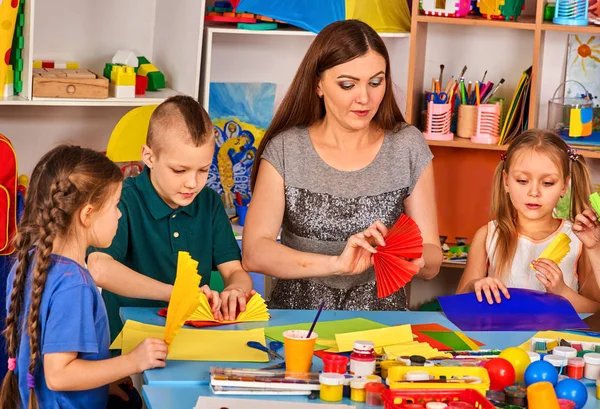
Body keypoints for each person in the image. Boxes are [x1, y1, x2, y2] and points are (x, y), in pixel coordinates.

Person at [242, 20, 442, 311]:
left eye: (376, 82)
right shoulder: (287, 148)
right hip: (297, 325)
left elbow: (433, 257)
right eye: (347, 84)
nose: (365, 98)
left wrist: (417, 259)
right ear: (318, 84)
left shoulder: (407, 145)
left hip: (383, 328)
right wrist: (336, 264)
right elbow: (254, 253)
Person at [0, 146, 167, 409]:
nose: (119, 214)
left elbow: (47, 362)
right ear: (87, 214)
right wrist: (132, 361)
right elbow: (60, 375)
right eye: (116, 205)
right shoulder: (74, 284)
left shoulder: (31, 263)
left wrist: (104, 382)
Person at [88, 96, 253, 339]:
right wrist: (176, 294)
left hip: (189, 338)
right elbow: (99, 267)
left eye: (203, 170)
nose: (192, 182)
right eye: (179, 170)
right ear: (149, 156)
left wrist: (236, 290)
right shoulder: (122, 199)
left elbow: (234, 271)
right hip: (125, 343)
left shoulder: (209, 202)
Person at [456, 129, 600, 312]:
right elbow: (459, 305)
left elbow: (596, 313)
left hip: (555, 340)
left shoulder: (580, 240)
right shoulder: (487, 236)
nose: (534, 192)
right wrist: (475, 286)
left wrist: (562, 292)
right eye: (523, 181)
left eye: (547, 183)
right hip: (501, 339)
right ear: (506, 182)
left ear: (564, 186)